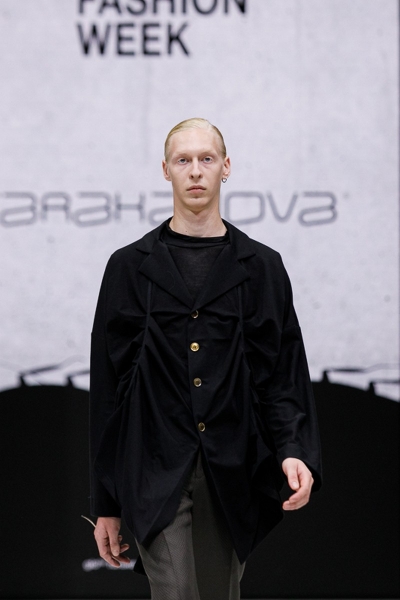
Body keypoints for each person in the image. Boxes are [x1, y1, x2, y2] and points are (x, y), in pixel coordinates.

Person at [89, 118, 322, 600]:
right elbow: (109, 390)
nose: (195, 170)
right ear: (166, 170)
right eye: (183, 160)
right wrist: (105, 501)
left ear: (226, 167)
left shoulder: (262, 268)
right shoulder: (129, 268)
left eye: (206, 159)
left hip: (232, 465)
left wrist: (294, 449)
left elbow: (282, 373)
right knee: (175, 591)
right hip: (152, 466)